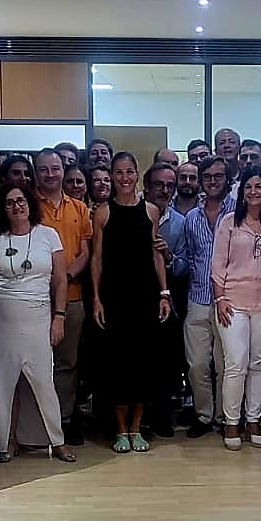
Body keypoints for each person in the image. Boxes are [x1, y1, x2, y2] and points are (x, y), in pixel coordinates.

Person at [0, 182, 77, 463]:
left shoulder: (48, 235)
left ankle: (57, 441)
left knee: (43, 381)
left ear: (29, 203)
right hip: (0, 319)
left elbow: (60, 281)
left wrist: (59, 317)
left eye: (21, 200)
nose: (17, 206)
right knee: (4, 383)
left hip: (39, 317)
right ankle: (7, 442)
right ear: (3, 208)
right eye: (10, 202)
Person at [91, 152, 173, 453]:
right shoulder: (102, 212)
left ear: (137, 174)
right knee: (117, 364)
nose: (124, 178)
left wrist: (164, 294)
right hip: (114, 296)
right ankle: (120, 429)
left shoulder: (151, 210)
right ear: (112, 176)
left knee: (142, 363)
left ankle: (137, 427)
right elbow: (97, 259)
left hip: (145, 295)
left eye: (129, 171)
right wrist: (96, 298)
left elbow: (156, 254)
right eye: (119, 172)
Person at [21, 149, 93, 444]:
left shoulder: (79, 208)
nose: (50, 174)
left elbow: (85, 252)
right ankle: (34, 424)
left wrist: (66, 278)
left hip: (72, 296)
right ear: (36, 173)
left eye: (55, 168)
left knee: (67, 363)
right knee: (33, 362)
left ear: (64, 170)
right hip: (34, 296)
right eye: (44, 169)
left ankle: (62, 420)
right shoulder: (27, 205)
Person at [211, 167, 261, 451]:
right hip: (232, 302)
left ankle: (253, 421)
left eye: (259, 186)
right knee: (236, 363)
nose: (253, 191)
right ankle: (231, 422)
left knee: (258, 363)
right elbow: (217, 264)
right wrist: (220, 298)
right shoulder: (229, 222)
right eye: (248, 186)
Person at [176, 158, 235, 437]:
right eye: (207, 176)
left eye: (218, 176)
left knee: (225, 364)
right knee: (197, 364)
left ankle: (225, 417)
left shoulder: (238, 211)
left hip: (230, 299)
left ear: (227, 179)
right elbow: (188, 259)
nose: (212, 181)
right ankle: (203, 415)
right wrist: (168, 258)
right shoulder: (191, 218)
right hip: (198, 297)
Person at [150, 161, 191, 438]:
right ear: (147, 186)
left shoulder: (180, 222)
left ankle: (161, 414)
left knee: (165, 360)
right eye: (159, 185)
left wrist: (168, 256)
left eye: (169, 186)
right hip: (133, 296)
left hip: (168, 299)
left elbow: (184, 266)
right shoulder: (134, 213)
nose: (164, 190)